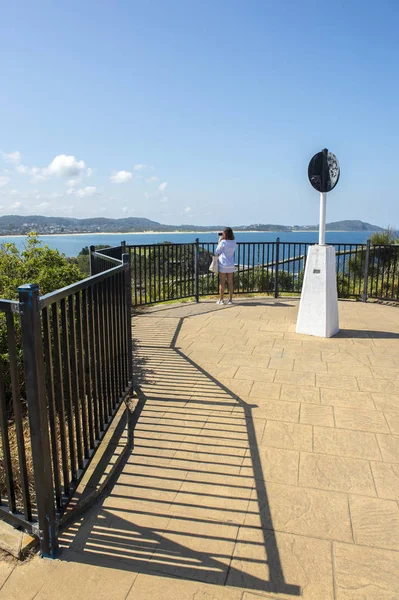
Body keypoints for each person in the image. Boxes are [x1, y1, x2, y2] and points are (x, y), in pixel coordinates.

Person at [215, 227, 236, 305]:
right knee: (230, 283)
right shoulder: (234, 242)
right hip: (231, 264)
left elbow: (217, 251)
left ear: (225, 234)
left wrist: (219, 241)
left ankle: (221, 300)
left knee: (222, 283)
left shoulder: (223, 242)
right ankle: (230, 300)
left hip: (223, 264)